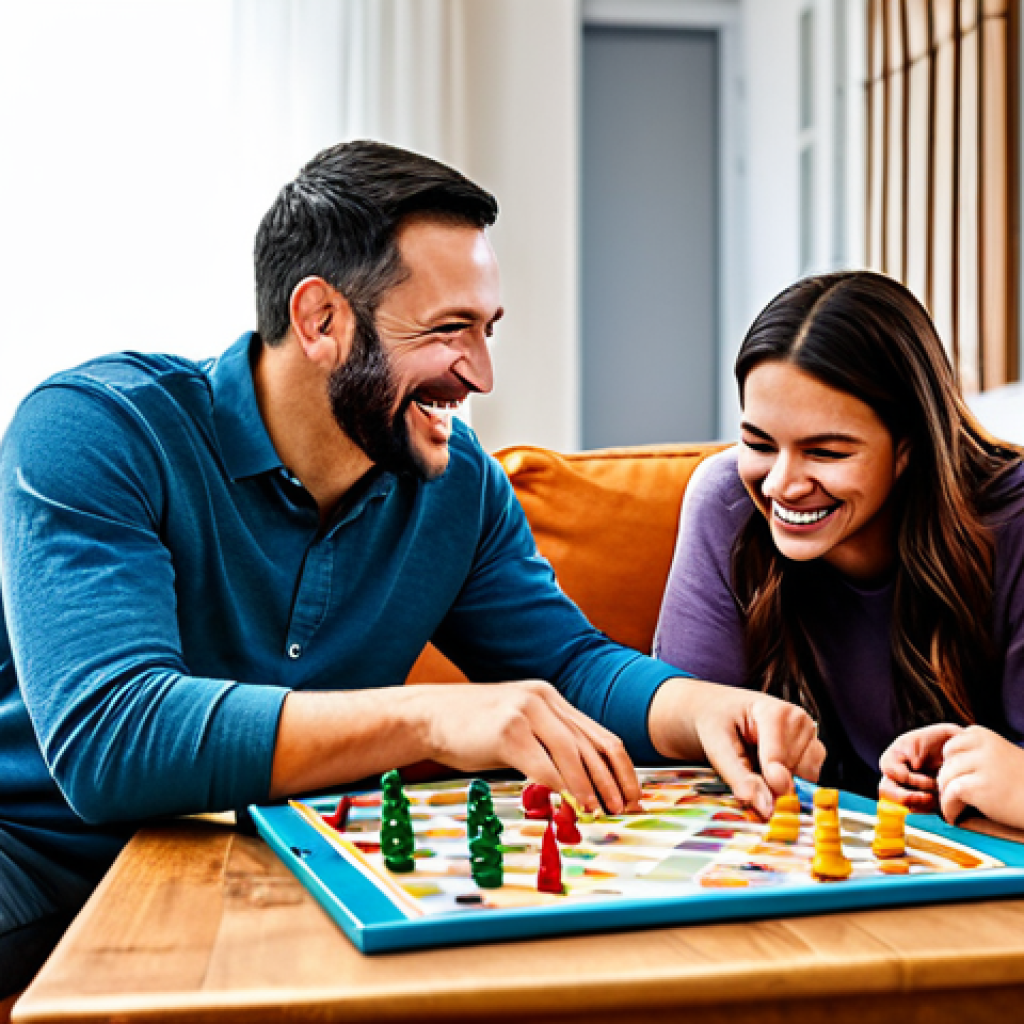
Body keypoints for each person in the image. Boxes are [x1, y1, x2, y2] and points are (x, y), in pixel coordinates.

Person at [0, 141, 823, 995]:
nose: (481, 372)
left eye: (487, 329)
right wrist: (433, 719)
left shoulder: (456, 484)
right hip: (36, 853)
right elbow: (113, 739)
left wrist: (701, 708)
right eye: (447, 331)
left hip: (290, 871)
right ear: (320, 320)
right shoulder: (95, 431)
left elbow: (566, 664)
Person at [655, 269, 1024, 813]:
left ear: (910, 446)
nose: (782, 483)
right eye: (759, 442)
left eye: (826, 452)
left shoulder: (1013, 517)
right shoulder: (725, 500)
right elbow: (689, 742)